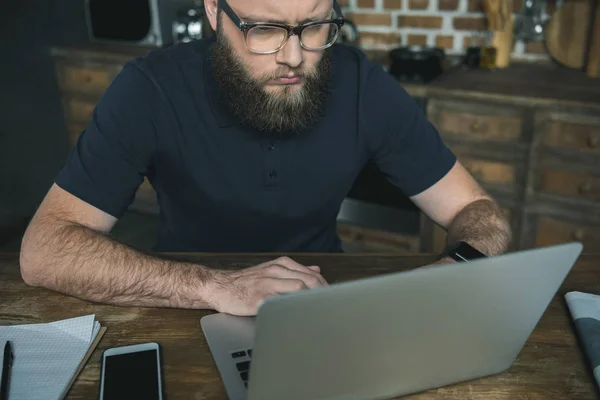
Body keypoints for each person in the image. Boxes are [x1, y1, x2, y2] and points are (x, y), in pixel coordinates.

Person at [20, 0, 511, 316]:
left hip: (323, 303)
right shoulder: (151, 89)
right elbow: (44, 251)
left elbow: (478, 213)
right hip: (186, 303)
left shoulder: (363, 85)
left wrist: (456, 267)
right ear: (215, 11)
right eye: (264, 29)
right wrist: (214, 287)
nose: (293, 56)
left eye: (315, 26)